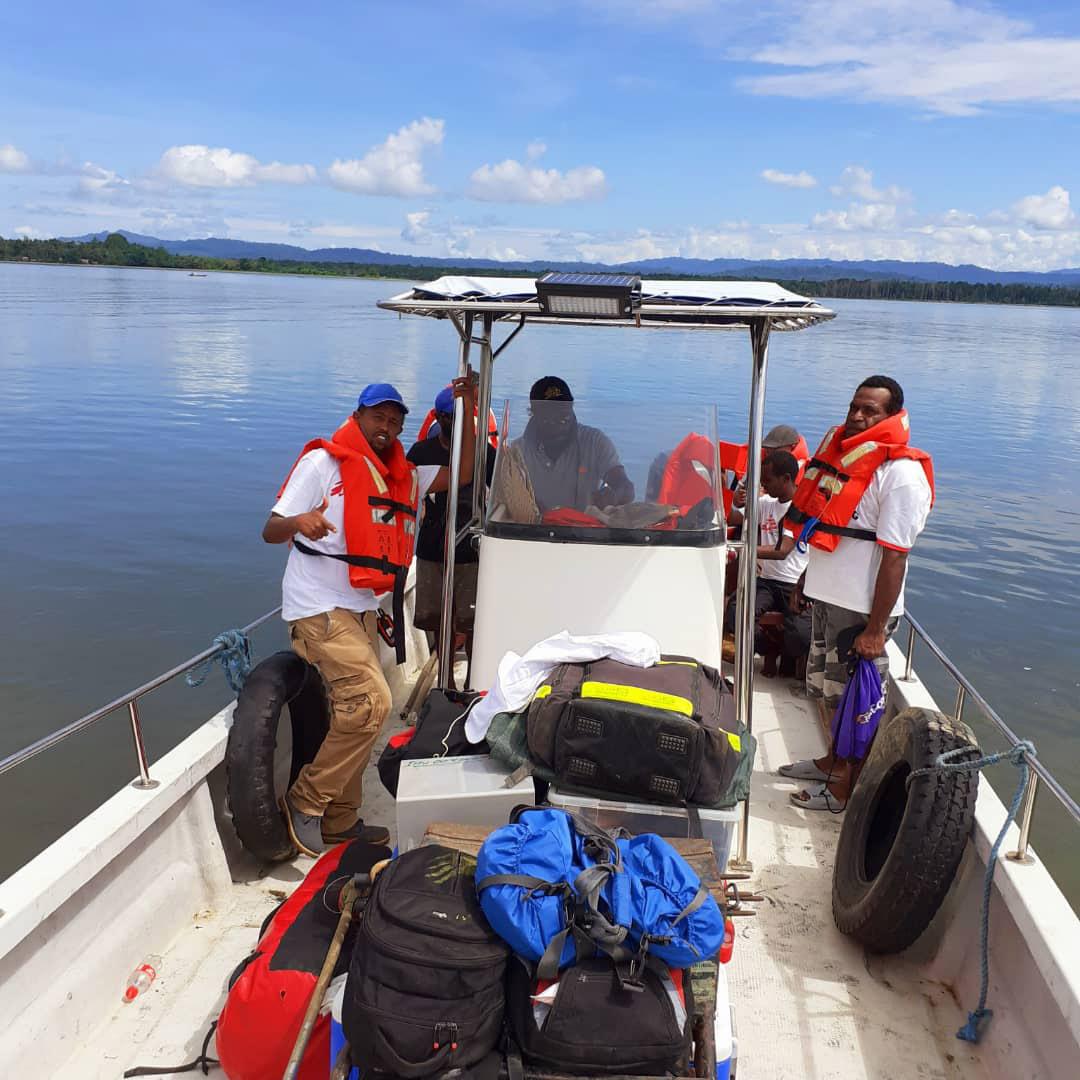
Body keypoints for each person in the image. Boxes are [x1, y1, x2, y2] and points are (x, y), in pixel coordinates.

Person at [263, 374, 477, 856]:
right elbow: (271, 529)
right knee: (371, 705)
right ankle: (306, 802)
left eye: (395, 420)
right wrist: (300, 521)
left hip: (362, 608)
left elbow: (463, 471)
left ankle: (341, 822)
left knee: (359, 714)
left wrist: (468, 410)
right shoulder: (324, 464)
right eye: (378, 416)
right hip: (318, 606)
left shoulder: (406, 474)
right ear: (358, 416)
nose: (386, 426)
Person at [779, 376, 934, 811]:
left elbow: (895, 557)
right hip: (829, 598)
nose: (858, 417)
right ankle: (830, 762)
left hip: (862, 612)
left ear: (892, 417)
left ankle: (844, 790)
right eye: (855, 407)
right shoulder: (846, 463)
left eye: (871, 411)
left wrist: (877, 629)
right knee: (827, 692)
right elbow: (828, 532)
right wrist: (804, 580)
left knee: (856, 702)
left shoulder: (901, 475)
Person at [407, 385, 495, 684]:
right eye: (448, 417)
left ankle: (472, 678)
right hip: (432, 548)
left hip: (472, 549)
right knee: (438, 620)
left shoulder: (487, 453)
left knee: (473, 622)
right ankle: (446, 680)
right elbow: (408, 497)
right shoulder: (421, 452)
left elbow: (501, 499)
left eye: (461, 416)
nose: (454, 423)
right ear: (438, 418)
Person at [724, 450, 810, 668]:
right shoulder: (765, 504)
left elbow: (782, 551)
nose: (763, 485)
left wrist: (743, 550)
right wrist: (736, 501)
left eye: (768, 480)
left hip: (794, 583)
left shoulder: (801, 508)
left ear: (786, 479)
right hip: (767, 580)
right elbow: (734, 518)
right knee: (736, 612)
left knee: (799, 636)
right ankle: (768, 646)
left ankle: (786, 651)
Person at [515, 376, 634, 513]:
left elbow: (626, 487)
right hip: (534, 530)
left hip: (585, 531)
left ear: (572, 410)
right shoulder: (517, 452)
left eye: (564, 418)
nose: (558, 427)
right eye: (548, 420)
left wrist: (615, 496)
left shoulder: (595, 442)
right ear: (533, 415)